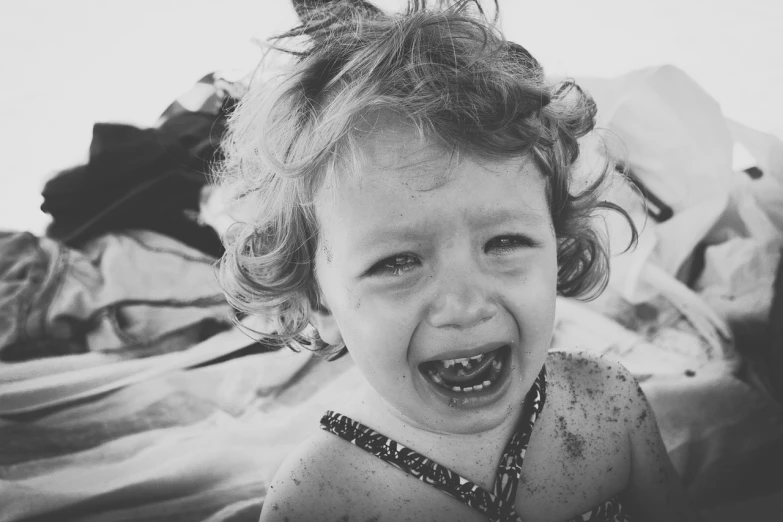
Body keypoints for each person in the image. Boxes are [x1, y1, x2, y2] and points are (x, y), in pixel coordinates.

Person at [217, 1, 702, 520]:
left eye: (503, 243)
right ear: (320, 303)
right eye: (398, 262)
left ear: (557, 247)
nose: (466, 306)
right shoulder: (317, 500)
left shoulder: (608, 405)